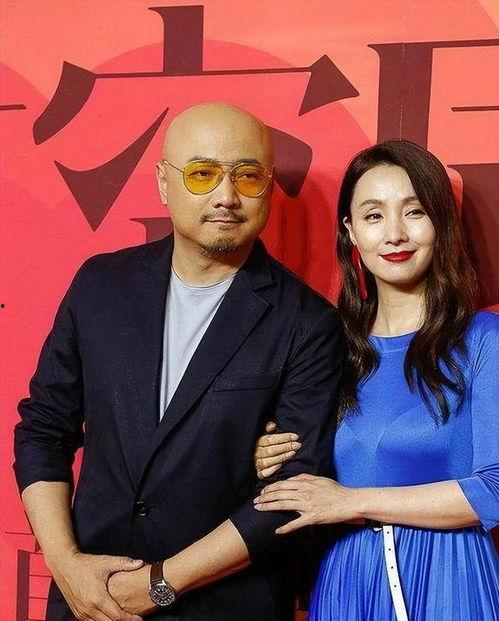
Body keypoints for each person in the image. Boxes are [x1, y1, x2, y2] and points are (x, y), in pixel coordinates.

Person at [13, 103, 344, 621]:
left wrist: (159, 585)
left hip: (225, 606)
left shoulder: (308, 322)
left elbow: (291, 491)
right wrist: (66, 564)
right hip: (88, 598)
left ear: (269, 188)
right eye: (202, 174)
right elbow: (43, 431)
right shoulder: (100, 286)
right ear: (164, 183)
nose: (226, 196)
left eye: (248, 176)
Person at [253, 140, 499, 620]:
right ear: (350, 231)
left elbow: (494, 490)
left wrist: (351, 502)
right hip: (347, 579)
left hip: (449, 578)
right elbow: (301, 465)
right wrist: (266, 454)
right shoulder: (327, 348)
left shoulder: (482, 340)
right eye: (373, 215)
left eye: (414, 212)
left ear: (441, 222)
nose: (395, 234)